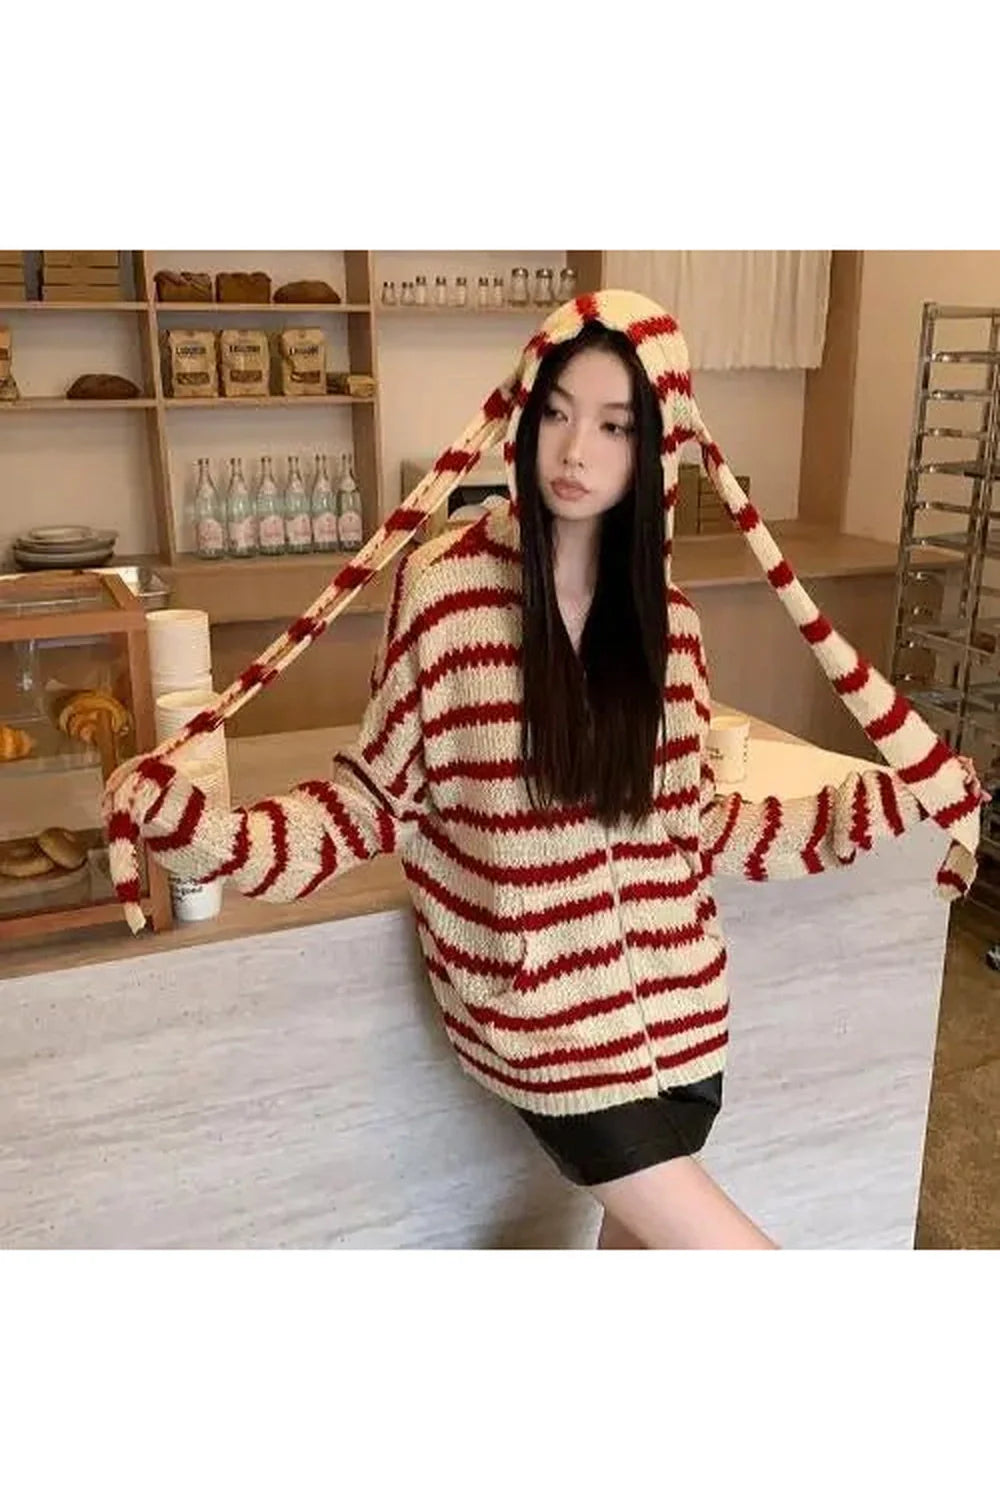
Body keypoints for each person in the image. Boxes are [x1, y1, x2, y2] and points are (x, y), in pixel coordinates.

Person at [104, 290, 984, 1251]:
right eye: (556, 413)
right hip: (551, 1032)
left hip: (689, 1022)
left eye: (613, 426)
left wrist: (878, 803)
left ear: (657, 448)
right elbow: (371, 801)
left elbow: (695, 825)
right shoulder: (445, 596)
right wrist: (219, 840)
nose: (574, 451)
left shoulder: (669, 625)